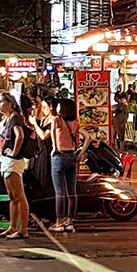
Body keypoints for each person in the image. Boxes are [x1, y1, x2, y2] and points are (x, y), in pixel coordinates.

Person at [0, 92, 30, 239]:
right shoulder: (8, 119)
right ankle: (12, 227)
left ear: (11, 103)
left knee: (19, 195)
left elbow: (20, 135)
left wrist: (14, 153)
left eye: (2, 101)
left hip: (13, 161)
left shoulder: (15, 118)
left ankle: (23, 229)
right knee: (12, 196)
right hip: (7, 160)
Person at [50, 98, 82, 232]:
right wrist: (80, 153)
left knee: (60, 192)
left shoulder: (56, 120)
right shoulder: (75, 123)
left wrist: (55, 147)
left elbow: (52, 133)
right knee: (72, 192)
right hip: (72, 156)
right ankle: (70, 221)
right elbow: (87, 137)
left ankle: (59, 222)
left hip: (59, 156)